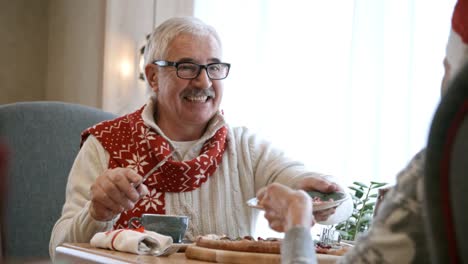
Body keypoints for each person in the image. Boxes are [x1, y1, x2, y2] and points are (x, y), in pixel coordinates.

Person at [49, 17, 352, 258]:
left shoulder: (247, 148)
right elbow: (58, 251)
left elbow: (334, 202)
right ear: (153, 76)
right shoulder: (104, 145)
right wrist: (97, 214)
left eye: (214, 67)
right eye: (188, 67)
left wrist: (320, 197)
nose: (204, 81)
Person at [258, 0, 468, 263]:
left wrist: (297, 222)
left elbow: (325, 195)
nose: (205, 80)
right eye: (188, 66)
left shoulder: (438, 171)